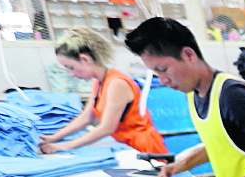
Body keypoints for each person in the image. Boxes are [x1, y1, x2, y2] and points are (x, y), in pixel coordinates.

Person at [125, 17, 245, 177]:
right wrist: (180, 166)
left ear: (188, 55)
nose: (162, 80)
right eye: (156, 73)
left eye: (163, 69)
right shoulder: (193, 94)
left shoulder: (233, 95)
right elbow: (221, 144)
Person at [39, 28, 167, 155]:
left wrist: (64, 146)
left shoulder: (117, 83)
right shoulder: (99, 82)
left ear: (85, 59)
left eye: (71, 67)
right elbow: (86, 117)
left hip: (141, 147)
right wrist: (53, 138)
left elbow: (107, 128)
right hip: (125, 144)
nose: (70, 74)